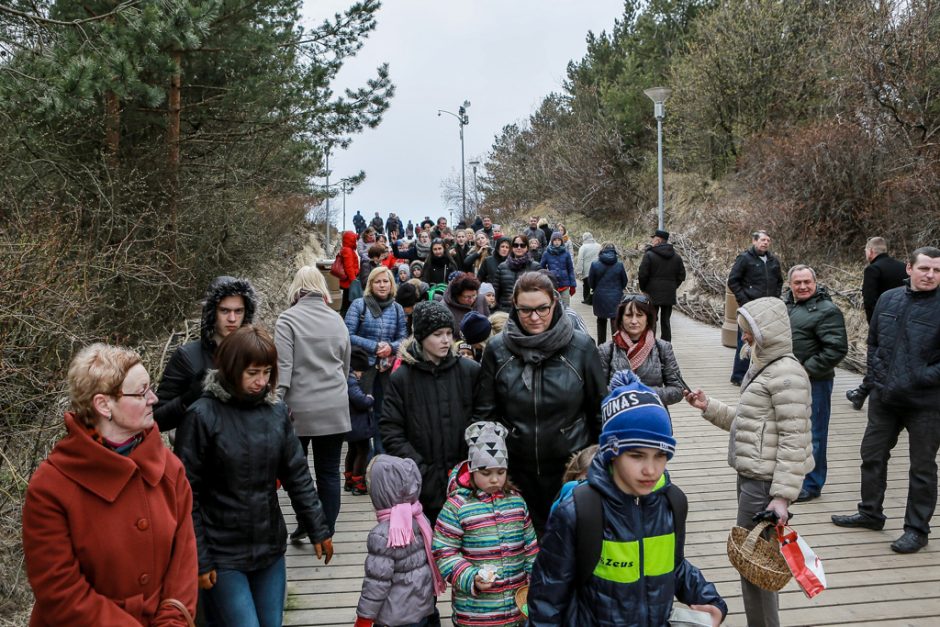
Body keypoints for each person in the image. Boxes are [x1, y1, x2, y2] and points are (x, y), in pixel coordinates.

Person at [528, 374, 727, 626]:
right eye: (636, 455)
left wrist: (709, 600)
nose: (651, 470)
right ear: (612, 451)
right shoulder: (578, 510)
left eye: (660, 455)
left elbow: (673, 565)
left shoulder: (672, 502)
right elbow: (547, 598)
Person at [23, 344, 198, 625]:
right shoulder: (51, 486)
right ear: (104, 405)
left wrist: (172, 621)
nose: (153, 398)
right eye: (141, 392)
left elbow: (184, 562)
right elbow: (60, 591)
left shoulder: (169, 468)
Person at [175, 326, 334, 627]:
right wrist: (199, 556)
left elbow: (297, 473)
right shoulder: (200, 416)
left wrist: (318, 527)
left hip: (269, 547)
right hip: (221, 552)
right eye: (252, 373)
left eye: (267, 372)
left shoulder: (276, 413)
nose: (261, 382)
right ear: (231, 369)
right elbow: (186, 495)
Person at [684, 297, 812, 627]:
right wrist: (707, 405)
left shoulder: (787, 375)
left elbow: (795, 441)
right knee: (755, 564)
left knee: (753, 565)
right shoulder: (765, 368)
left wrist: (781, 498)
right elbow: (749, 423)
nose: (744, 338)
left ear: (766, 332)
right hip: (751, 477)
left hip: (764, 485)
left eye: (748, 332)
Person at [475, 272, 606, 533]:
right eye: (526, 310)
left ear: (554, 304)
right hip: (515, 472)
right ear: (514, 306)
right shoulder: (498, 349)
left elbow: (599, 410)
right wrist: (490, 468)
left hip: (571, 470)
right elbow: (485, 414)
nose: (535, 318)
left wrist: (598, 465)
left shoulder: (580, 347)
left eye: (542, 309)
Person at [832, 247, 940, 554]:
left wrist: (918, 377)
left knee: (922, 468)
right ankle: (870, 512)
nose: (930, 275)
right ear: (909, 268)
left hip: (927, 403)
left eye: (936, 270)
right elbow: (874, 342)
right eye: (925, 268)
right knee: (872, 454)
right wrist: (877, 378)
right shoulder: (889, 299)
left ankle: (916, 530)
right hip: (885, 396)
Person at [381, 300, 481, 524]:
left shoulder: (469, 372)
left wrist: (471, 463)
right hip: (423, 484)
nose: (446, 340)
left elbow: (483, 418)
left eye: (449, 333)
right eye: (438, 334)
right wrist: (421, 470)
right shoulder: (402, 379)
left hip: (467, 481)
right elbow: (391, 430)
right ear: (422, 336)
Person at [433, 422, 538, 627]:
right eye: (485, 473)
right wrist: (470, 577)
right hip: (474, 613)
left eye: (500, 472)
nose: (494, 480)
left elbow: (530, 547)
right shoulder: (457, 506)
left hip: (515, 609)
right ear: (472, 471)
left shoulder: (516, 502)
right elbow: (444, 550)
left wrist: (535, 579)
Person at [274, 266, 352, 539]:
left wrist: (275, 405)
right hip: (335, 406)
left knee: (297, 473)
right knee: (329, 472)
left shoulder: (287, 320)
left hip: (299, 410)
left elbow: (283, 369)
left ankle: (306, 522)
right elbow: (345, 365)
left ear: (296, 288)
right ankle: (325, 529)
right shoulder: (337, 320)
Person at [155, 276, 257, 432]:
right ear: (211, 312)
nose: (232, 318)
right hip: (199, 450)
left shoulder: (255, 353)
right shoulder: (187, 357)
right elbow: (157, 420)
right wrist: (188, 399)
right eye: (224, 310)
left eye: (238, 311)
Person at [355, 455, 443, 627]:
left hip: (394, 618)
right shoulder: (419, 519)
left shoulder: (382, 535)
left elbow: (376, 582)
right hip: (423, 610)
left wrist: (364, 619)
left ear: (379, 492)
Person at [784, 265, 848, 503]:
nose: (802, 287)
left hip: (816, 382)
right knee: (791, 431)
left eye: (807, 282)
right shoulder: (786, 305)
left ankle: (812, 483)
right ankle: (793, 478)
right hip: (787, 381)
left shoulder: (827, 310)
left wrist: (806, 369)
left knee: (815, 434)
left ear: (815, 282)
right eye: (797, 282)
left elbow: (837, 348)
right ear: (790, 284)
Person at [346, 266, 408, 454]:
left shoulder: (397, 309)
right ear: (371, 285)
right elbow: (346, 335)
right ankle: (360, 463)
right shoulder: (359, 305)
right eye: (378, 281)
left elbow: (404, 338)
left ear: (392, 284)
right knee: (361, 413)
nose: (382, 285)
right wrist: (374, 346)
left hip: (386, 369)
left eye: (386, 281)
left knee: (383, 413)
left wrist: (391, 347)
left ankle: (381, 457)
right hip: (362, 369)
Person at [846, 236, 908, 410]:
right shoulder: (903, 267)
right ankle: (861, 392)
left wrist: (873, 326)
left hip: (883, 324)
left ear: (871, 251)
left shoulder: (873, 269)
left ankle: (861, 393)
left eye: (866, 251)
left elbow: (869, 301)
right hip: (906, 322)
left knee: (876, 359)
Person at [597, 294, 684, 406]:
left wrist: (644, 394)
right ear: (621, 319)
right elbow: (597, 390)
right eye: (628, 315)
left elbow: (677, 389)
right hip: (618, 418)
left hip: (653, 417)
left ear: (647, 318)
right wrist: (624, 395)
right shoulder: (606, 350)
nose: (634, 321)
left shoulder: (662, 348)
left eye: (639, 315)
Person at [727, 230, 784, 385]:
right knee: (745, 341)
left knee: (765, 341)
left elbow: (779, 281)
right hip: (749, 308)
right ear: (754, 241)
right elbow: (733, 280)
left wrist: (775, 298)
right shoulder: (745, 259)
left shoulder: (773, 260)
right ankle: (739, 376)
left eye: (768, 240)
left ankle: (760, 373)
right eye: (762, 240)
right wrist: (744, 300)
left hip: (768, 309)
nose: (765, 243)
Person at [637, 229, 686, 342]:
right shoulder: (676, 257)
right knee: (666, 321)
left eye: (653, 238)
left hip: (652, 293)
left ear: (658, 240)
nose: (652, 241)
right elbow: (682, 275)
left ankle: (650, 344)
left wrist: (644, 288)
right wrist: (673, 286)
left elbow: (643, 274)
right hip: (669, 293)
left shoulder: (649, 255)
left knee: (652, 320)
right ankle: (666, 345)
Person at [345, 347, 374, 497]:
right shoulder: (351, 381)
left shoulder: (347, 378)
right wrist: (369, 398)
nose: (362, 375)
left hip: (351, 425)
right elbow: (360, 401)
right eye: (361, 372)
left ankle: (349, 480)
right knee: (362, 452)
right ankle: (358, 483)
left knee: (352, 451)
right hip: (358, 426)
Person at [588, 243, 629, 344]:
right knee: (615, 321)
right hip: (616, 296)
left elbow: (591, 283)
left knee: (601, 321)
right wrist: (618, 289)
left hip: (600, 297)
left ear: (601, 250)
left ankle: (601, 346)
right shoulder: (619, 264)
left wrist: (597, 288)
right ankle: (616, 345)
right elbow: (624, 281)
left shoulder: (595, 264)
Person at [494, 235, 540, 312]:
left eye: (522, 245)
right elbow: (496, 290)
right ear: (512, 247)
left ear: (527, 248)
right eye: (516, 245)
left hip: (526, 310)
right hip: (504, 310)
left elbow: (539, 291)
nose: (519, 247)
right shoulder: (502, 267)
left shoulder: (535, 267)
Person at [442, 272, 490, 337]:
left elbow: (488, 320)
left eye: (474, 295)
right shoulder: (444, 307)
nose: (471, 300)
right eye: (467, 297)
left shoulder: (480, 299)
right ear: (456, 295)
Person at [540, 231, 576, 305]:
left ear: (561, 241)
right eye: (555, 240)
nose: (557, 242)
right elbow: (541, 269)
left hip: (565, 284)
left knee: (566, 306)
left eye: (559, 240)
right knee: (553, 306)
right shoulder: (547, 253)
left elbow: (570, 269)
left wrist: (573, 285)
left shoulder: (566, 253)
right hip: (552, 284)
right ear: (552, 241)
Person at [339, 230, 362, 317]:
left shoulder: (348, 249)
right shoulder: (348, 250)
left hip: (349, 281)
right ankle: (345, 318)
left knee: (347, 301)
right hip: (349, 282)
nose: (355, 241)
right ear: (351, 239)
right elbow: (349, 267)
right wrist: (353, 280)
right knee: (348, 302)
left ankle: (344, 317)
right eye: (354, 239)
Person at [575, 232, 601, 305]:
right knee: (595, 285)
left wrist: (579, 271)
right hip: (598, 269)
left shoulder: (583, 247)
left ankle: (587, 299)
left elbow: (580, 259)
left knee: (586, 285)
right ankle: (594, 299)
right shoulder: (599, 246)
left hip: (587, 270)